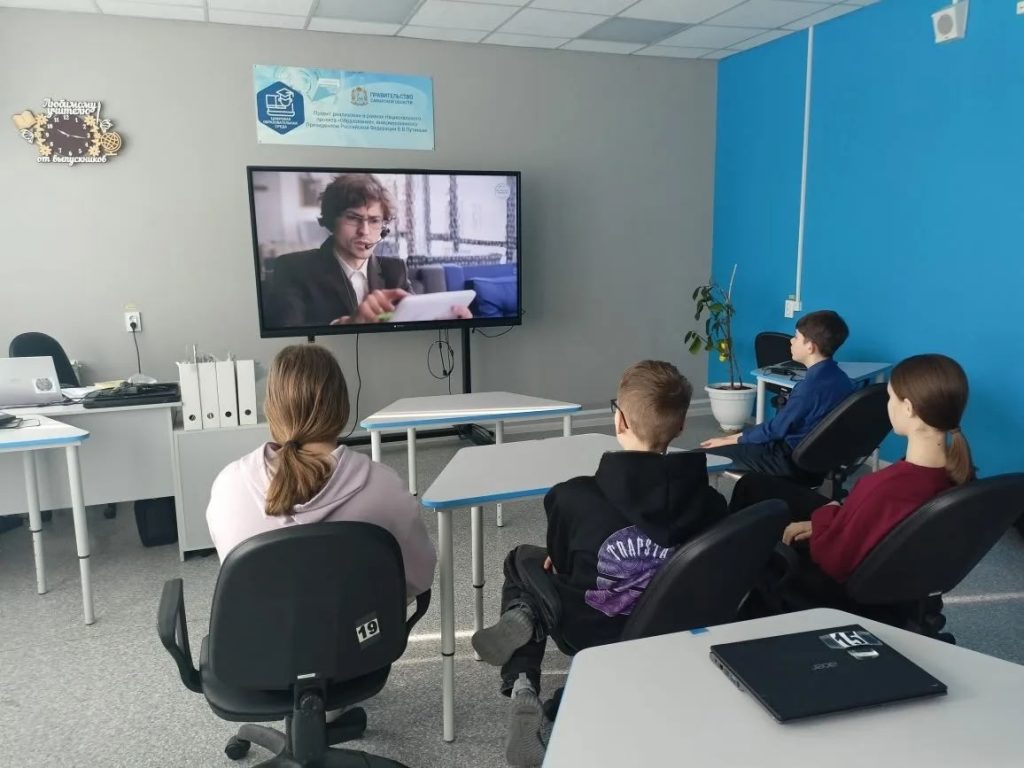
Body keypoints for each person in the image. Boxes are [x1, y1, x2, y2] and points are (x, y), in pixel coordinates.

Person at [471, 361, 727, 766]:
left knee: (522, 563)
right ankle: (530, 628)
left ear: (619, 420)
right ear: (680, 427)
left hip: (590, 628)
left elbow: (560, 565)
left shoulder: (573, 497)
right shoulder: (711, 504)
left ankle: (523, 683)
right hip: (676, 629)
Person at [730, 353, 973, 599]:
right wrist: (831, 517)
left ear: (908, 408)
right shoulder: (959, 475)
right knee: (753, 484)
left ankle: (728, 574)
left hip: (835, 587)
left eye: (891, 397)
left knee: (756, 526)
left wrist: (825, 517)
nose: (888, 405)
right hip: (878, 556)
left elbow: (833, 560)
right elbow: (877, 523)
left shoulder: (884, 487)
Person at [205, 344, 436, 599]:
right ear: (342, 406)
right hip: (360, 625)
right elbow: (420, 577)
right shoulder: (386, 488)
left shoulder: (229, 487)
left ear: (270, 408)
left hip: (259, 624)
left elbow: (235, 577)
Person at [269, 173, 470, 327]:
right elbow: (287, 339)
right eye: (353, 218)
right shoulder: (292, 268)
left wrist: (443, 322)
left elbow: (412, 323)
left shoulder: (395, 269)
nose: (364, 231)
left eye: (374, 221)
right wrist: (347, 324)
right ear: (331, 220)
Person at [701, 310, 853, 481]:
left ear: (810, 346)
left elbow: (774, 431)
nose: (791, 341)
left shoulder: (808, 389)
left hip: (788, 460)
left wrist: (729, 440)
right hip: (815, 459)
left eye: (796, 337)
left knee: (701, 456)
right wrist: (735, 437)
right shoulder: (843, 379)